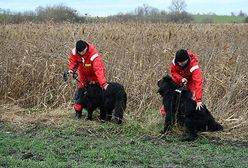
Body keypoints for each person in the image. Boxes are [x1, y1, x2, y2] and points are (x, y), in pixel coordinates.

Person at [67, 40, 109, 119]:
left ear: (86, 48)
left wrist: (103, 84)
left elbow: (98, 70)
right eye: (79, 52)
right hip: (83, 76)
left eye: (83, 52)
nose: (81, 54)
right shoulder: (75, 52)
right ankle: (78, 113)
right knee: (79, 95)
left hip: (95, 77)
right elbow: (73, 62)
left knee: (99, 96)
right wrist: (71, 70)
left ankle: (104, 115)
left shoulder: (94, 56)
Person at [160, 49, 203, 116]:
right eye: (178, 62)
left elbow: (198, 83)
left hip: (191, 82)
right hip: (178, 79)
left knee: (190, 99)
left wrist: (199, 100)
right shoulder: (175, 62)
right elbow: (173, 72)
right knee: (170, 93)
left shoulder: (194, 67)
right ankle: (165, 112)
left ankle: (183, 115)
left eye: (182, 62)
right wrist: (181, 79)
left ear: (187, 60)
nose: (180, 64)